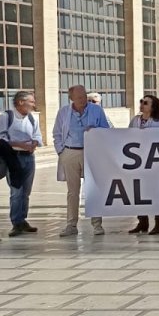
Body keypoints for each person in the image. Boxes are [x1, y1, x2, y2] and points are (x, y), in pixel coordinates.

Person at [53, 85, 112, 237]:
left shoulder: (96, 110)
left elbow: (106, 130)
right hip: (70, 152)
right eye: (79, 97)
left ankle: (97, 224)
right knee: (72, 192)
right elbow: (57, 133)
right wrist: (61, 151)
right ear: (71, 98)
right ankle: (71, 224)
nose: (83, 100)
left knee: (93, 189)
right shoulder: (63, 112)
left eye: (84, 96)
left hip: (91, 152)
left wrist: (96, 130)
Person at [0, 91, 41, 237]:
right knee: (16, 191)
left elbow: (37, 135)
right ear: (20, 102)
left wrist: (34, 143)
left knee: (26, 191)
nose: (33, 105)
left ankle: (22, 219)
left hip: (29, 157)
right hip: (13, 157)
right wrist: (18, 144)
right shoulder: (6, 117)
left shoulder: (32, 118)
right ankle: (16, 222)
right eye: (31, 102)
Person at [127, 95, 159, 235]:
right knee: (139, 191)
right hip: (137, 160)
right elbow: (127, 136)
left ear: (152, 107)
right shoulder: (135, 120)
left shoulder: (157, 123)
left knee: (155, 192)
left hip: (153, 161)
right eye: (141, 102)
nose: (142, 104)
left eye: (146, 103)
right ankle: (142, 222)